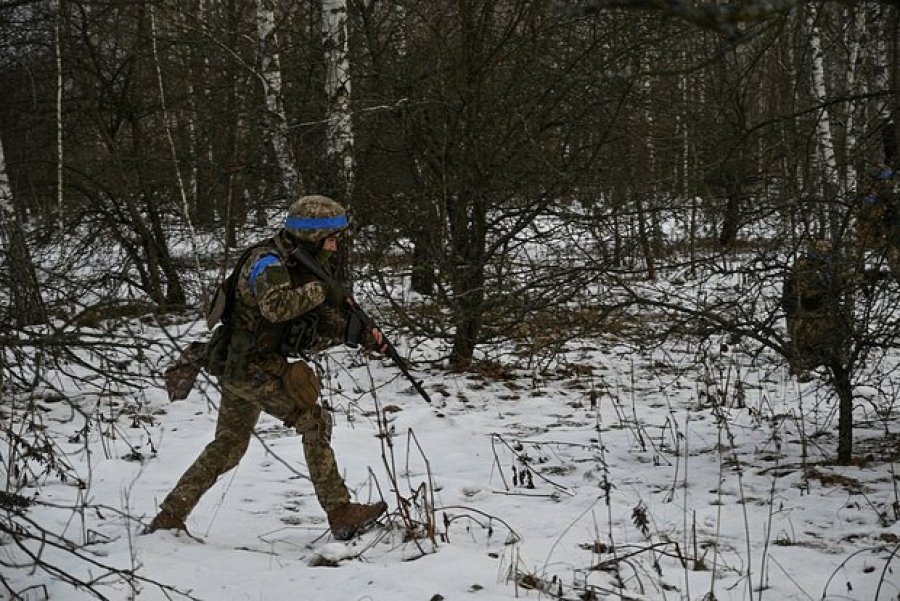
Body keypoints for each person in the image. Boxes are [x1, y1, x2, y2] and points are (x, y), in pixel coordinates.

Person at [149, 195, 387, 541]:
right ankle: (340, 513)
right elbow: (276, 307)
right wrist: (322, 290)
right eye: (331, 238)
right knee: (314, 421)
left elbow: (316, 318)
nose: (335, 246)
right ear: (313, 235)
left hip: (243, 365)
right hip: (249, 367)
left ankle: (170, 516)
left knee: (229, 446)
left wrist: (361, 333)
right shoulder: (268, 262)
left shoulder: (300, 262)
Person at [781, 240, 853, 378]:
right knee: (808, 341)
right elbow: (809, 294)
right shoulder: (805, 269)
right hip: (803, 316)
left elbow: (838, 280)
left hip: (815, 315)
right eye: (825, 253)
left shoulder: (824, 269)